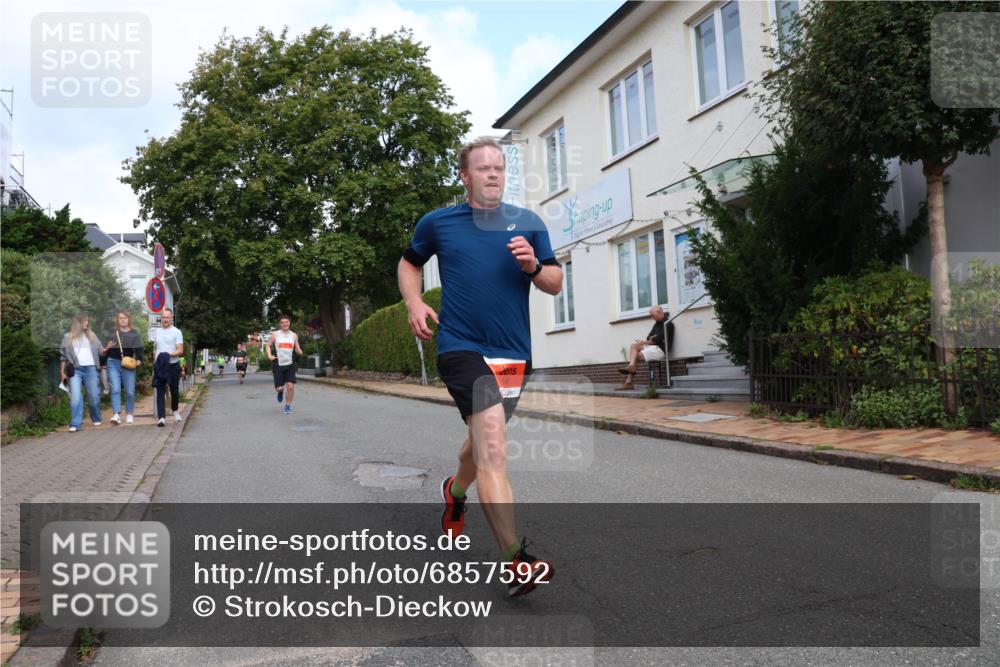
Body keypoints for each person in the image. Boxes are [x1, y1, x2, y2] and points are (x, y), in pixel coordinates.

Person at [398, 136, 562, 597]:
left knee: (480, 442)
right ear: (465, 176)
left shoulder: (528, 223)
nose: (494, 174)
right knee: (492, 439)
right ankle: (516, 559)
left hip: (513, 354)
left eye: (500, 167)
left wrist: (534, 267)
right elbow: (409, 263)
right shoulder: (439, 223)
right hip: (461, 346)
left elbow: (554, 282)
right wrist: (413, 302)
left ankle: (455, 490)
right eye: (484, 168)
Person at [59, 312, 104, 432]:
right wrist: (62, 372)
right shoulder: (67, 337)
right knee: (76, 397)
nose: (87, 323)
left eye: (87, 321)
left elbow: (101, 351)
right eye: (84, 321)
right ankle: (75, 423)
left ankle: (96, 417)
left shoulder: (91, 335)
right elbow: (63, 356)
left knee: (94, 395)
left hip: (91, 369)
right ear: (78, 323)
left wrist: (107, 348)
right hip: (75, 370)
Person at [616, 306, 674, 390]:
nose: (651, 317)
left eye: (652, 315)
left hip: (660, 350)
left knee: (637, 355)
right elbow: (649, 337)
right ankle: (631, 367)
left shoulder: (668, 324)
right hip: (652, 347)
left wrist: (650, 340)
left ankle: (629, 382)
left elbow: (656, 340)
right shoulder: (657, 324)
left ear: (659, 312)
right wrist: (651, 340)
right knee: (634, 346)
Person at [102, 309, 143, 425]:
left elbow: (138, 349)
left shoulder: (134, 333)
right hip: (113, 362)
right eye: (120, 318)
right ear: (118, 320)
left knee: (130, 391)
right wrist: (107, 347)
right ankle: (116, 414)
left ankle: (129, 414)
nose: (123, 320)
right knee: (115, 388)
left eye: (125, 318)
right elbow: (104, 349)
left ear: (129, 319)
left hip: (128, 364)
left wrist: (139, 359)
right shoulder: (113, 333)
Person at [152, 308, 184, 426]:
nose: (165, 319)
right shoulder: (157, 332)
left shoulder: (177, 332)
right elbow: (155, 349)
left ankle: (175, 410)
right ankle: (161, 417)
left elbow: (180, 350)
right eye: (163, 317)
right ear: (161, 318)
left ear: (171, 318)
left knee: (174, 390)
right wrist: (154, 364)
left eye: (167, 317)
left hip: (173, 365)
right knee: (159, 391)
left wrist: (167, 354)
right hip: (160, 366)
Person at [266, 316, 302, 414]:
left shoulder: (294, 335)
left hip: (290, 364)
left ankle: (288, 406)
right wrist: (269, 355)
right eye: (282, 322)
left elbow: (296, 347)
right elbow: (268, 345)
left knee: (290, 386)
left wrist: (300, 351)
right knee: (280, 388)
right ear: (280, 324)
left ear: (289, 323)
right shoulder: (275, 334)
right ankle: (280, 391)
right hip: (278, 363)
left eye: (286, 322)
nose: (285, 324)